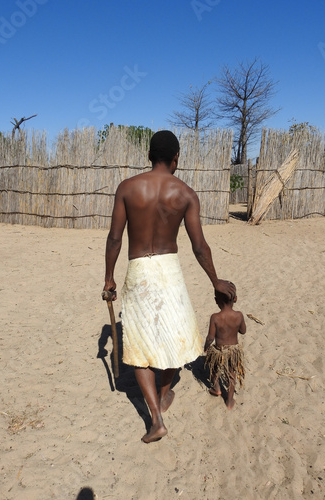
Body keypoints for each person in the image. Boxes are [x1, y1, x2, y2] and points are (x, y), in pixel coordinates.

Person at [103, 130, 236, 443]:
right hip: (169, 270)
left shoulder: (127, 188)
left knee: (139, 346)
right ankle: (163, 395)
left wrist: (109, 277)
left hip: (139, 269)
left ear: (150, 156)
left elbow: (114, 238)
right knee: (174, 339)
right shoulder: (186, 194)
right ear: (176, 158)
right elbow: (199, 246)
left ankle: (156, 417)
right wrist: (215, 280)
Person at [204, 291, 246, 409]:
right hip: (233, 351)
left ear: (216, 300)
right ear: (235, 299)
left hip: (219, 350)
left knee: (214, 368)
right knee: (232, 373)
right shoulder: (239, 315)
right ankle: (229, 400)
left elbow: (210, 337)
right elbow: (243, 331)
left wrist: (206, 347)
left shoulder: (215, 317)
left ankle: (217, 388)